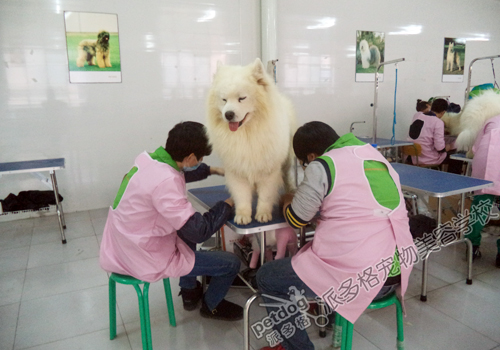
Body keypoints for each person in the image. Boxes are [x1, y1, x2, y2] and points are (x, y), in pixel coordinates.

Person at [256, 122, 416, 350]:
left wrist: (287, 199)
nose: (306, 166)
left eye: (304, 162)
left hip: (364, 278)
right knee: (323, 250)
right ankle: (330, 315)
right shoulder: (373, 154)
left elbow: (297, 219)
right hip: (399, 270)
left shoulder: (323, 164)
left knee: (268, 277)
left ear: (311, 155)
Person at [100, 121, 243, 321]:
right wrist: (230, 202)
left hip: (122, 242)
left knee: (184, 230)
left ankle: (189, 292)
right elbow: (201, 230)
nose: (201, 161)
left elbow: (179, 172)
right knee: (231, 263)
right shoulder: (166, 182)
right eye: (201, 158)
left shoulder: (149, 159)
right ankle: (212, 306)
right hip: (143, 254)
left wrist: (214, 170)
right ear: (191, 157)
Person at [466, 115, 500, 266]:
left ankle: (471, 247)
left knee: (480, 208)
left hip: (484, 165)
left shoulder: (491, 120)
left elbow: (475, 148)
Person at [407, 98, 462, 173]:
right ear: (443, 112)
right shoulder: (438, 122)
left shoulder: (417, 115)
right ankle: (451, 182)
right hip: (427, 158)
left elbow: (424, 132)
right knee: (456, 157)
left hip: (414, 156)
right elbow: (440, 148)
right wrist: (449, 146)